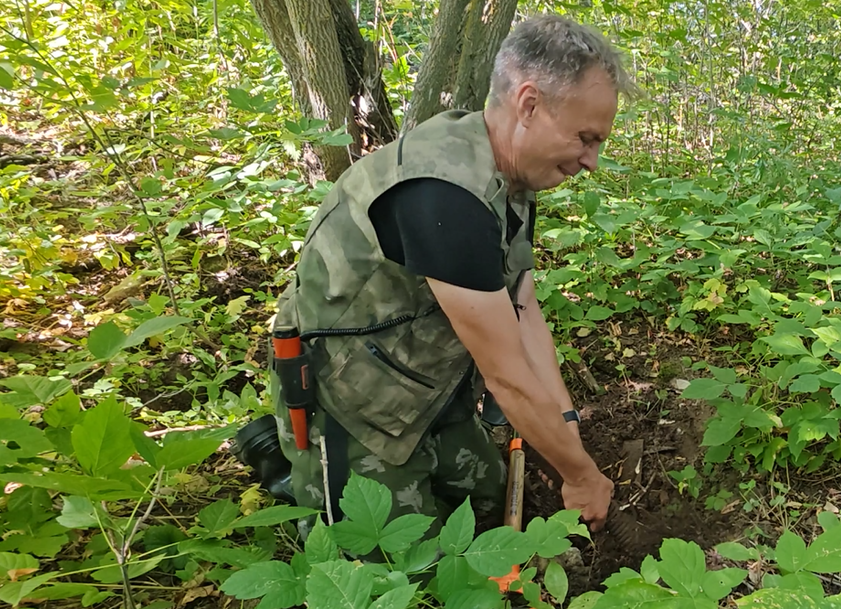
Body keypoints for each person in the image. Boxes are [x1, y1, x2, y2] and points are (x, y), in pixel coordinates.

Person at [264, 14, 641, 542]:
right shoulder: (445, 196)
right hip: (350, 397)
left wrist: (567, 430)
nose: (592, 161)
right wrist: (579, 475)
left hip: (426, 377)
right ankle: (299, 472)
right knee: (398, 574)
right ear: (529, 105)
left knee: (485, 499)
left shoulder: (509, 173)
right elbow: (507, 374)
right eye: (584, 138)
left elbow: (523, 309)